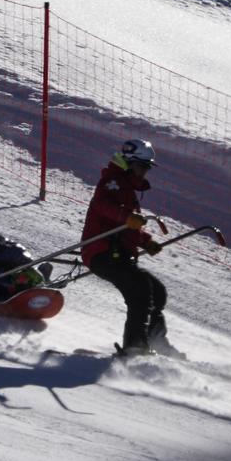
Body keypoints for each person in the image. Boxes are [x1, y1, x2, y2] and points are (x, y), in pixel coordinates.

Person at [81, 138, 179, 357]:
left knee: (156, 291)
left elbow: (127, 226)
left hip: (118, 254)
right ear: (129, 162)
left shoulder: (127, 189)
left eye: (147, 168)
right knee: (140, 288)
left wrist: (145, 241)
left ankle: (156, 341)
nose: (145, 172)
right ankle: (135, 347)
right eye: (142, 167)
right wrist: (127, 217)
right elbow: (102, 206)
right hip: (101, 252)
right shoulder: (112, 182)